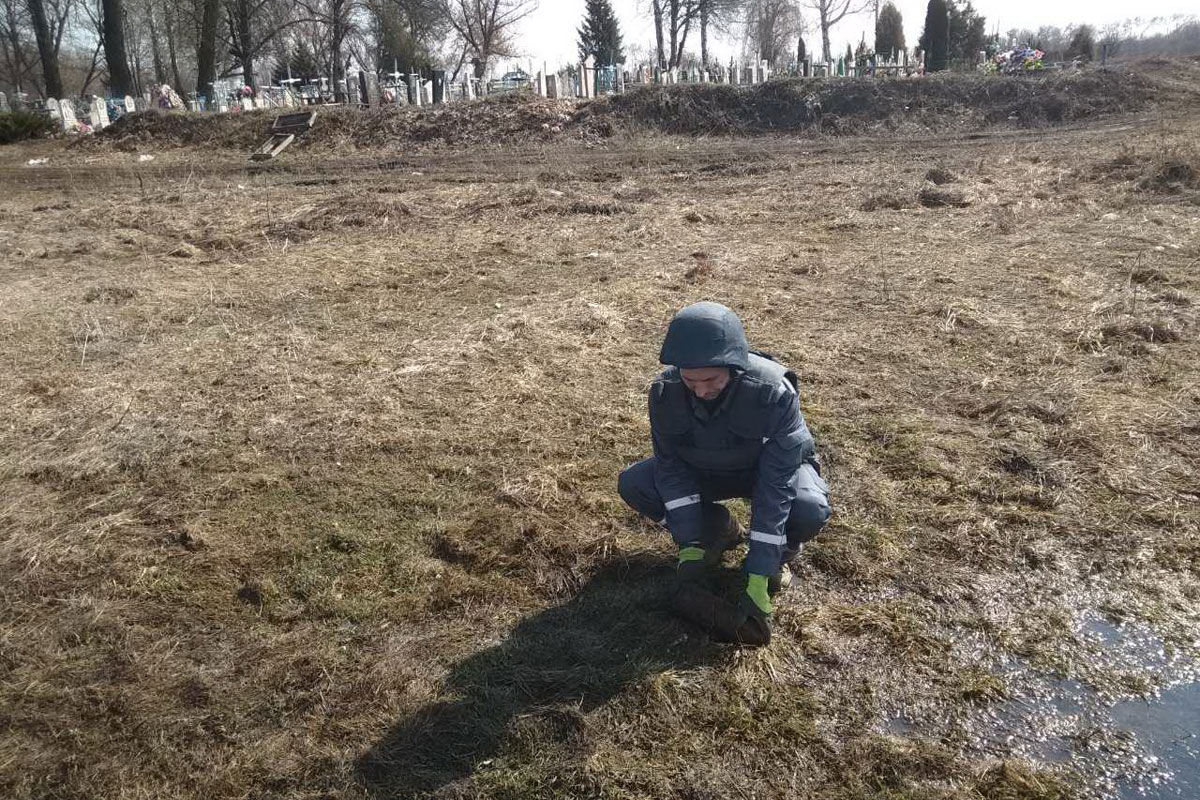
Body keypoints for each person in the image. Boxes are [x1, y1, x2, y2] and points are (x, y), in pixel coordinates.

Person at [618, 301, 830, 632]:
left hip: (764, 474)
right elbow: (670, 469)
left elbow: (777, 484)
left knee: (808, 508)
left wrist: (761, 568)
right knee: (635, 484)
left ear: (733, 364)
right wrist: (689, 542)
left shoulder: (773, 393)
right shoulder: (664, 394)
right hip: (706, 471)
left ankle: (780, 557)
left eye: (712, 379)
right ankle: (715, 532)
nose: (701, 391)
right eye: (691, 381)